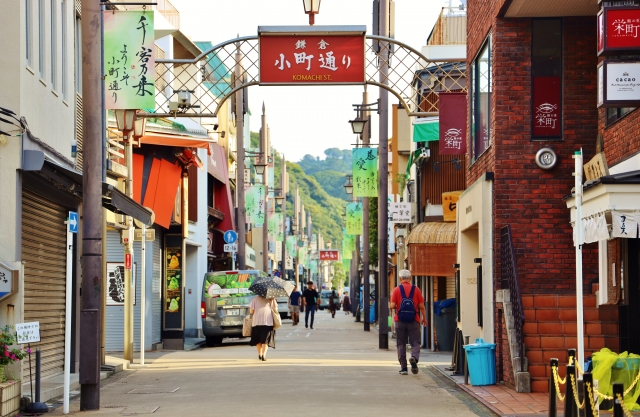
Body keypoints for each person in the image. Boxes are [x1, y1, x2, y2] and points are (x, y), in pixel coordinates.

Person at [389, 269, 426, 375]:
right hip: (414, 319)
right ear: (410, 278)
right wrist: (424, 318)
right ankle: (414, 357)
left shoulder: (396, 290)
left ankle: (404, 368)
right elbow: (421, 306)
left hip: (400, 320)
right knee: (415, 342)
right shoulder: (416, 290)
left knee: (401, 343)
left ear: (400, 278)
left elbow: (392, 306)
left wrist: (391, 305)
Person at [249, 295, 277, 361]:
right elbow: (275, 309)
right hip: (267, 322)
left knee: (257, 339)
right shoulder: (271, 299)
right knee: (266, 339)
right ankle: (264, 355)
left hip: (256, 322)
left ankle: (260, 354)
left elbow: (251, 311)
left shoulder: (254, 299)